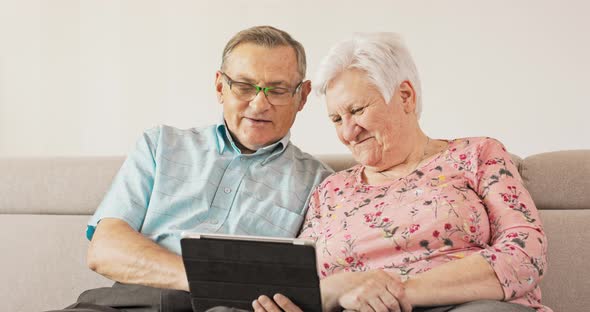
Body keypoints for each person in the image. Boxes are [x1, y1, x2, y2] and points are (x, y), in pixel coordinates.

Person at [253, 33, 551, 312]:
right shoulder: (331, 190)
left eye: (357, 111)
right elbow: (303, 285)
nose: (347, 132)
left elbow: (525, 254)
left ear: (405, 96)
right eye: (335, 118)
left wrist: (396, 292)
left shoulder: (476, 155)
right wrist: (340, 289)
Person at [45, 25, 332, 312]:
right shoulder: (160, 144)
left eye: (277, 90)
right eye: (244, 87)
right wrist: (204, 279)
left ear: (302, 96)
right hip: (128, 302)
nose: (259, 104)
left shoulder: (323, 184)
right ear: (220, 87)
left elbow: (320, 279)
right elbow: (105, 250)